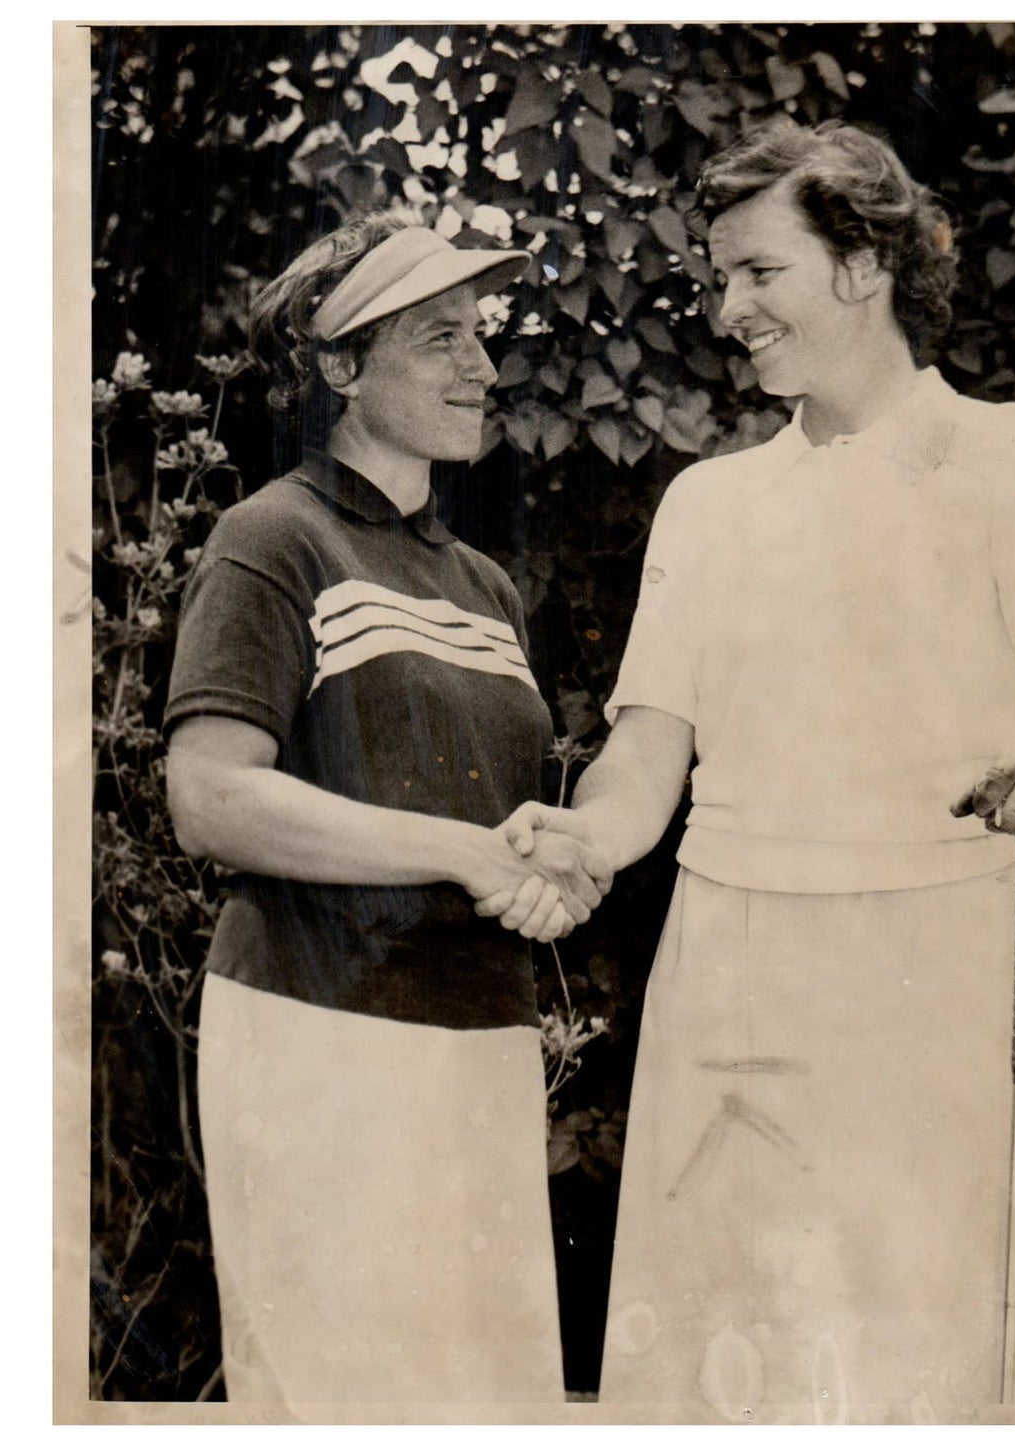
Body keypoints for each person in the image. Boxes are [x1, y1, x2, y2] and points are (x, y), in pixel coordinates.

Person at [481, 121, 1015, 1422]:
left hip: (931, 952)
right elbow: (647, 756)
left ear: (861, 266)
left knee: (917, 1330)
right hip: (734, 960)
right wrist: (585, 837)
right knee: (740, 1342)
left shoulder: (1011, 456)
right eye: (716, 277)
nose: (726, 309)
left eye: (756, 272)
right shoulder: (710, 506)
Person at [162, 208, 612, 1405]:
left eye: (480, 334)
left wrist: (557, 860)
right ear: (339, 367)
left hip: (484, 1040)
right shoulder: (272, 538)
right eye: (436, 338)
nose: (480, 365)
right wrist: (462, 850)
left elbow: (501, 823)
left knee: (483, 1399)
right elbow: (209, 798)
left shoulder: (486, 586)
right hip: (321, 1029)